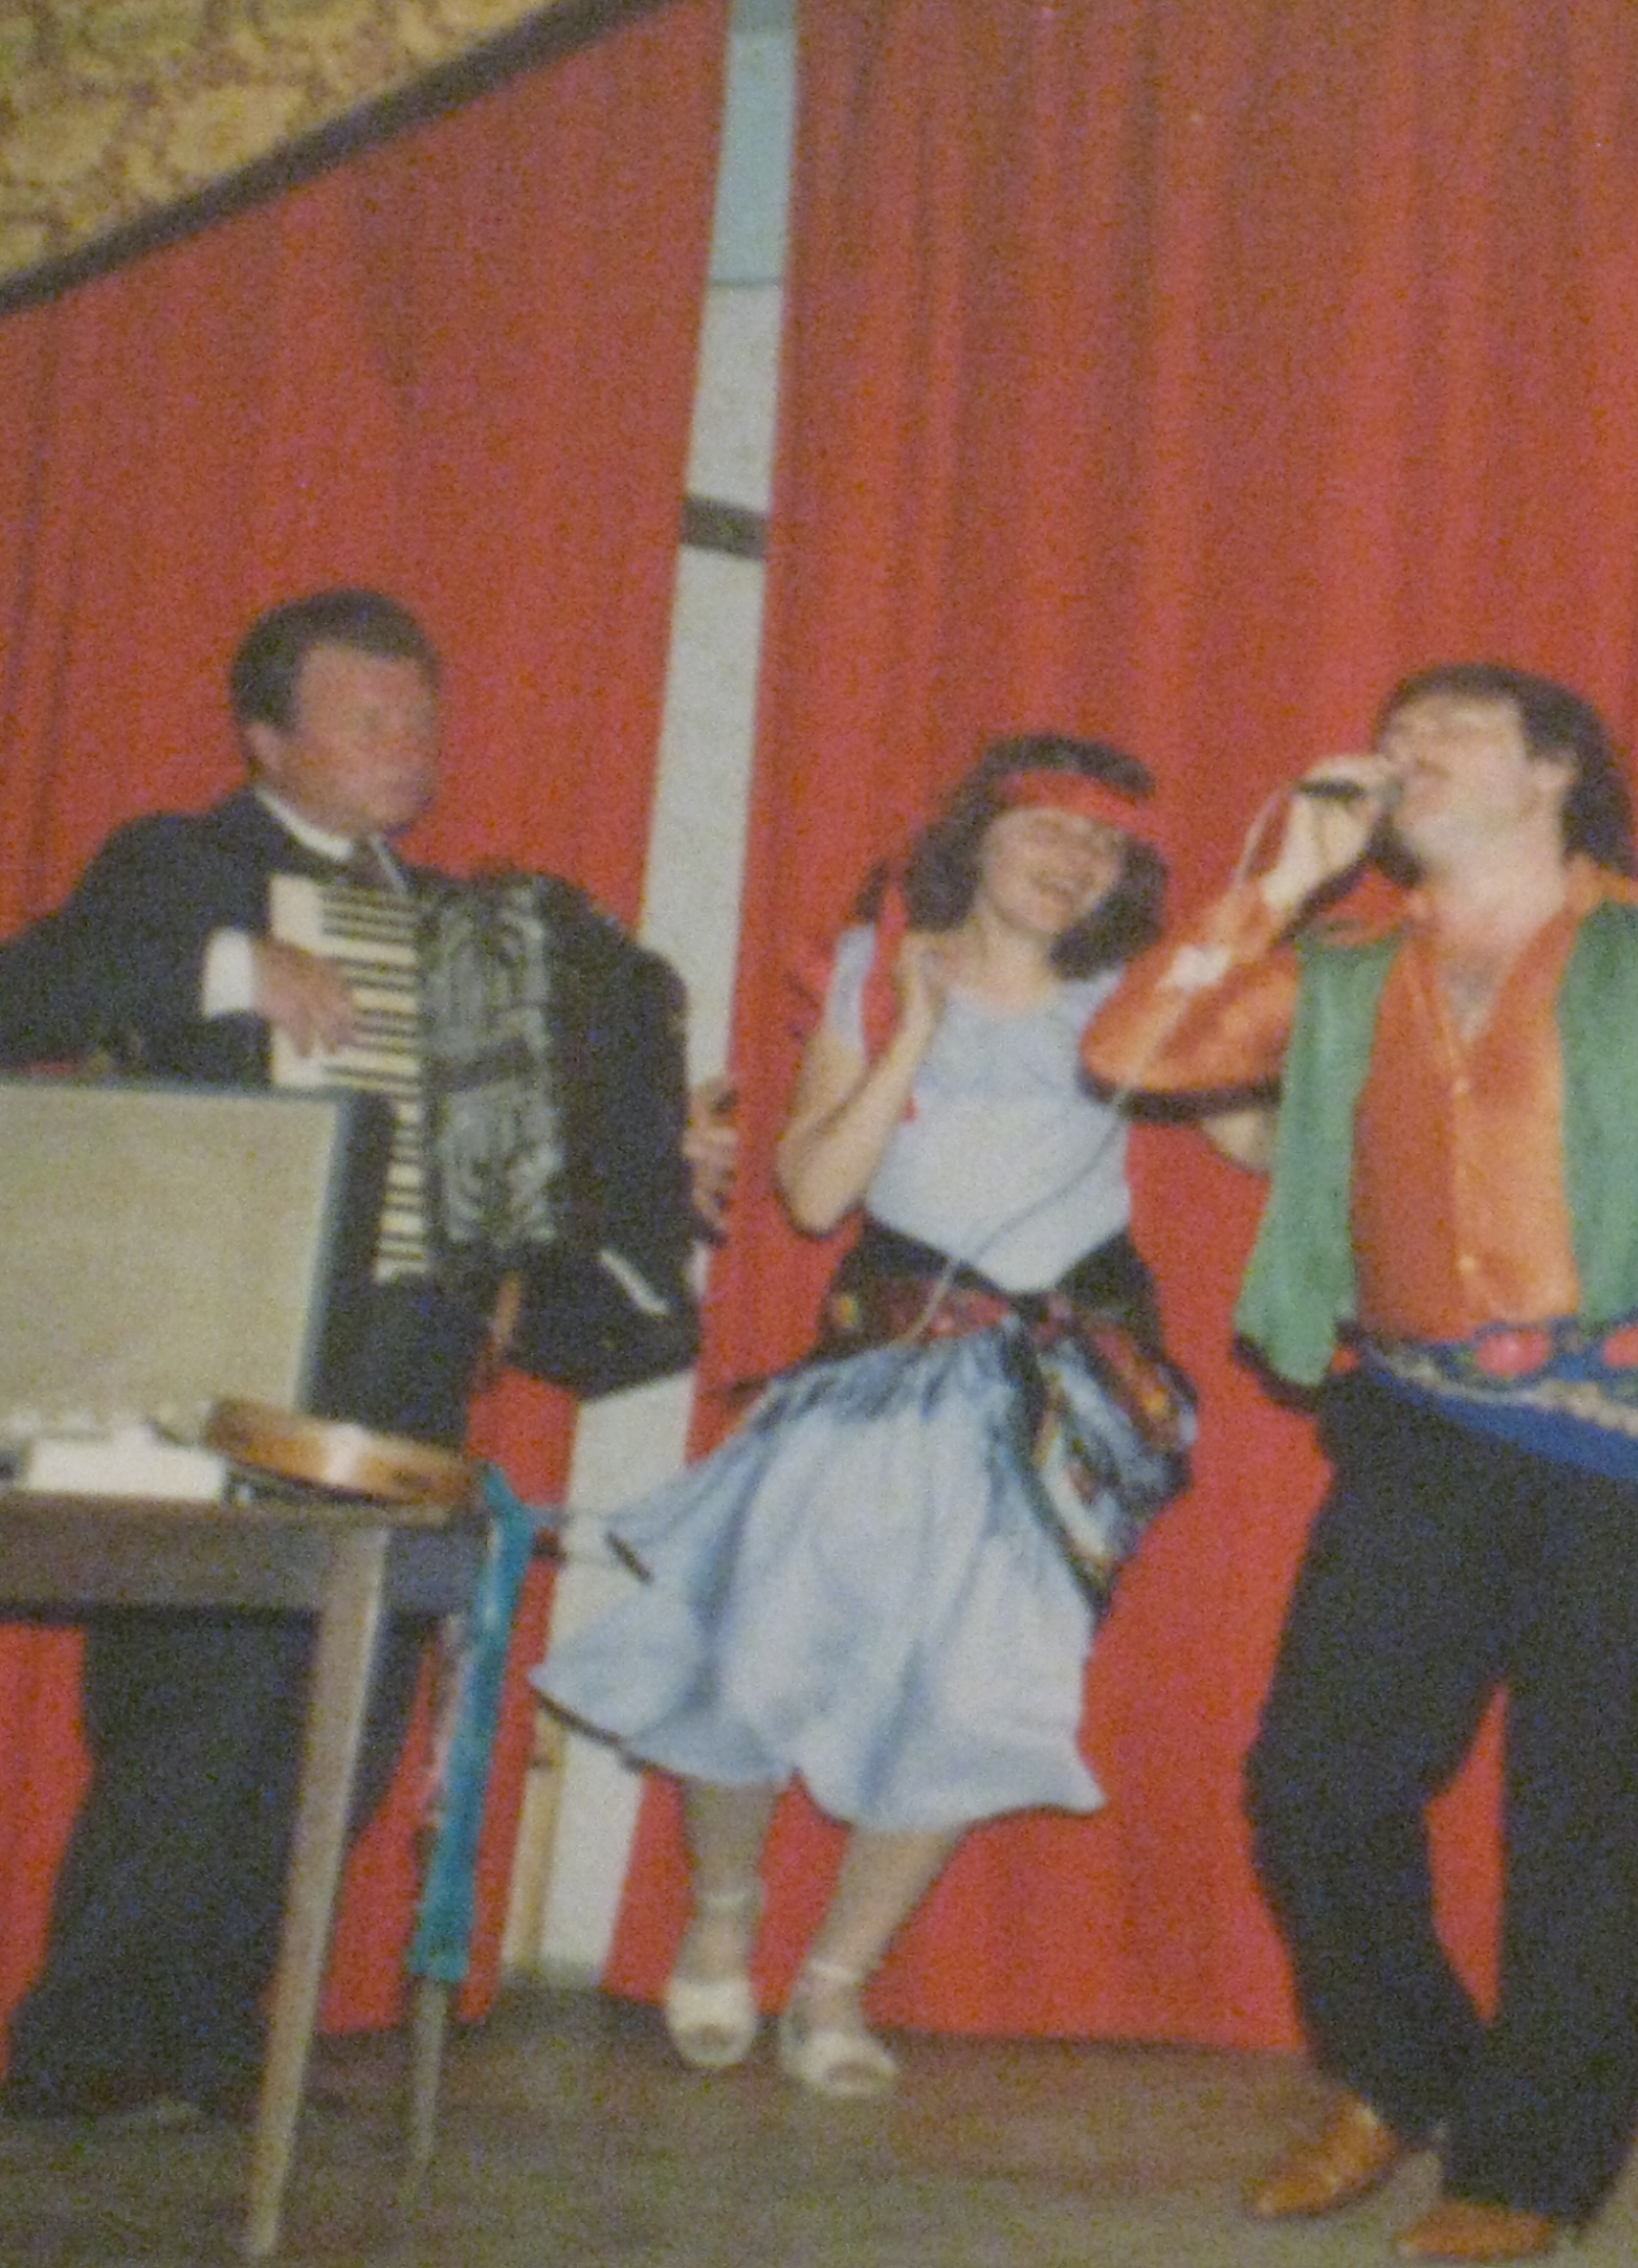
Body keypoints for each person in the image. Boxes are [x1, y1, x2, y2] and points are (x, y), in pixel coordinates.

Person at [1084, 663, 1638, 2261]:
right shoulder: (1340, 964)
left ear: (1553, 772)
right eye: (1393, 736)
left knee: (1590, 1812)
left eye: (1448, 732)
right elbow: (1138, 1050)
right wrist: (1275, 885)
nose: (1406, 755)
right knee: (1317, 1782)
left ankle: (1531, 2164)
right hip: (1423, 1414)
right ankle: (1411, 2076)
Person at [535, 736, 1194, 2098]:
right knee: (748, 1652)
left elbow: (1250, 1126)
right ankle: (724, 1917)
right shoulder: (872, 970)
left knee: (976, 1692)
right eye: (1047, 829)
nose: (1073, 861)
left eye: (1103, 846)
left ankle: (837, 1983)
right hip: (885, 1371)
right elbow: (817, 1194)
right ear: (976, 839)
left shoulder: (1132, 1005)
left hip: (1052, 1397)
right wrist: (913, 1033)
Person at [0, 590, 494, 2124]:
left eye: (419, 716)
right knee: (197, 1711)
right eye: (367, 716)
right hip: (228, 1351)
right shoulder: (181, 867)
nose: (405, 742)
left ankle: (220, 2040)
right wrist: (230, 969)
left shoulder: (466, 926)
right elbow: (30, 995)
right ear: (266, 739)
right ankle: (84, 2052)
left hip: (404, 1362)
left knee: (339, 1732)